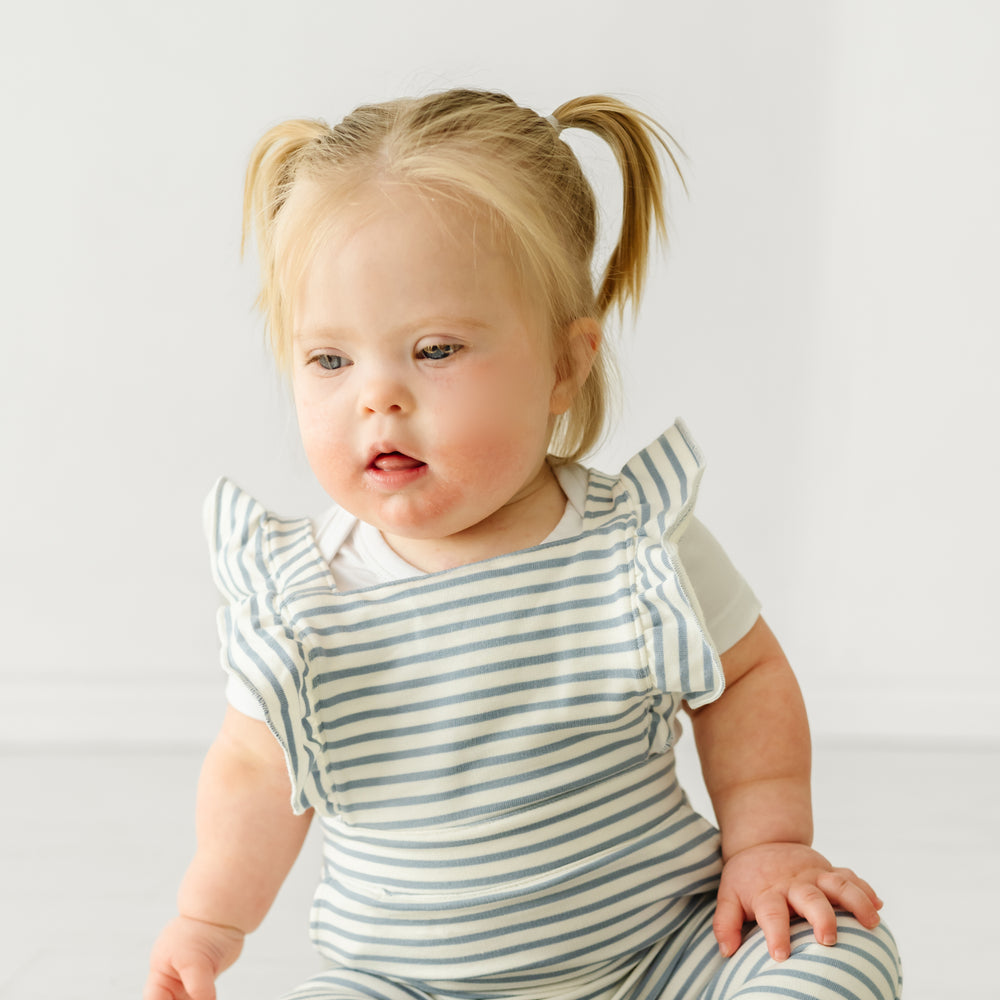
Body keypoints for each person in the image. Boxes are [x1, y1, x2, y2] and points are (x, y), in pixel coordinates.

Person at [144, 89, 902, 1000]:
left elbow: (745, 679)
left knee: (837, 951)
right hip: (406, 983)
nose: (375, 398)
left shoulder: (636, 547)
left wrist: (770, 844)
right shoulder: (302, 596)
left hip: (660, 958)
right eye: (330, 360)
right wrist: (209, 921)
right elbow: (255, 770)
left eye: (433, 351)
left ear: (564, 365)